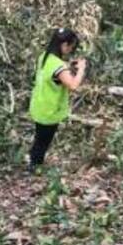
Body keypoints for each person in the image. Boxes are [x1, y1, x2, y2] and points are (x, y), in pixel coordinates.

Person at [27, 27, 87, 172]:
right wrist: (81, 69)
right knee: (43, 142)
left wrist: (67, 67)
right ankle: (35, 167)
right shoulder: (59, 66)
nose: (70, 50)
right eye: (71, 47)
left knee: (39, 138)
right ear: (64, 45)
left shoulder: (44, 57)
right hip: (50, 110)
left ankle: (34, 161)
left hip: (39, 105)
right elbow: (73, 85)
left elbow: (54, 75)